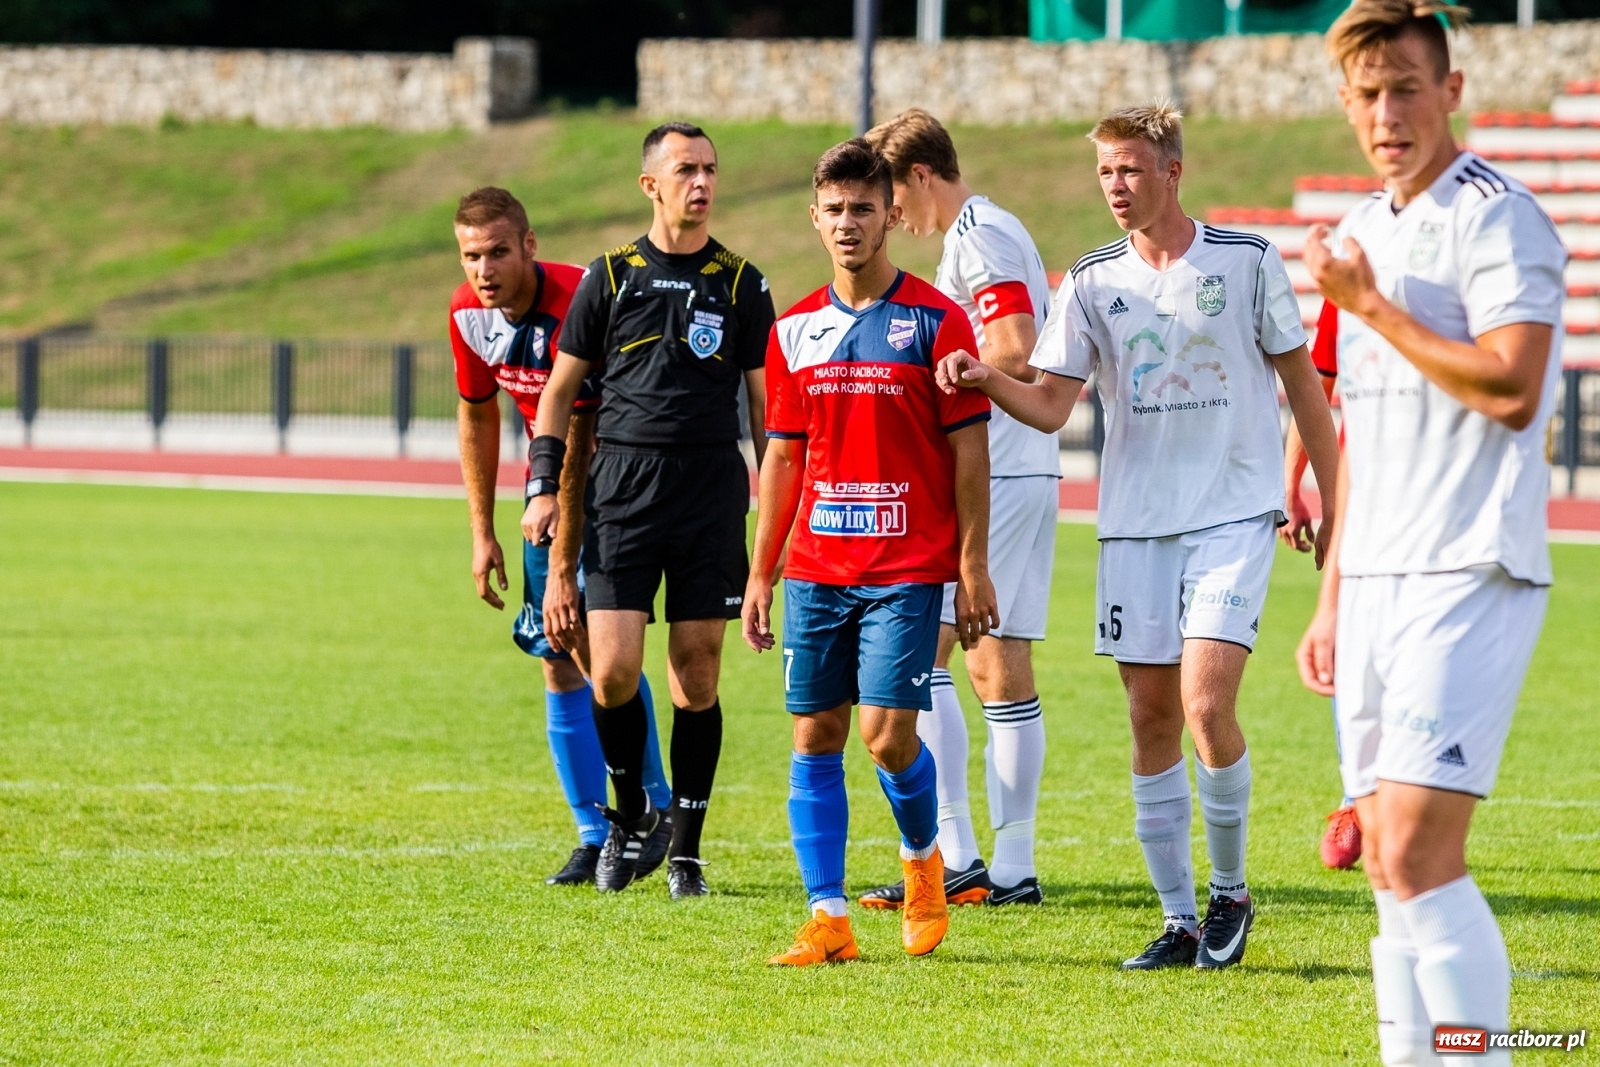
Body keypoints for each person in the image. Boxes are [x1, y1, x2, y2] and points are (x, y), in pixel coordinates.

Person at [936, 102, 1341, 971]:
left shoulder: (1247, 260)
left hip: (1234, 513)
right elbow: (1048, 405)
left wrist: (1325, 492)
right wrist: (979, 375)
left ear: (1172, 171)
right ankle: (1178, 918)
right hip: (1135, 526)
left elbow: (1306, 386)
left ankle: (1231, 891)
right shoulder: (1089, 281)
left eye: (1130, 169)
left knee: (1204, 703)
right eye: (1105, 172)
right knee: (1150, 718)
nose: (1115, 186)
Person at [1298, 3, 1565, 1062]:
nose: (1385, 111)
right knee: (1381, 865)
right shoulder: (1365, 227)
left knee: (1415, 849)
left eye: (1405, 86)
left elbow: (1511, 386)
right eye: (1365, 93)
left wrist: (1368, 307)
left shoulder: (1497, 217)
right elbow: (1359, 425)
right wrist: (1330, 592)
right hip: (1374, 580)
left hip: (1469, 565)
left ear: (1451, 92)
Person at [743, 138, 998, 966]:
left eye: (864, 208)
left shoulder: (937, 320)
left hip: (906, 566)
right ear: (813, 218)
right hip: (817, 567)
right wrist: (761, 569)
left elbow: (968, 451)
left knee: (887, 736)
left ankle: (924, 861)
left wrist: (971, 564)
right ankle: (828, 918)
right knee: (814, 734)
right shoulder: (794, 332)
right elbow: (782, 454)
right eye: (835, 210)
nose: (849, 223)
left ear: (891, 214)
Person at [526, 123, 775, 899]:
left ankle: (688, 851)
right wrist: (541, 484)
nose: (701, 182)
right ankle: (632, 811)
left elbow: (769, 414)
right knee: (611, 673)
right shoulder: (611, 275)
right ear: (651, 186)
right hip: (622, 492)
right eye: (685, 170)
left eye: (709, 169)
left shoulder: (741, 283)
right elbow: (559, 395)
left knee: (695, 677)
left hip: (708, 494)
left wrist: (776, 509)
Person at [858, 109, 1058, 908]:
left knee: (924, 656)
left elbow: (1011, 344)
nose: (890, 216)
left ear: (918, 176)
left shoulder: (981, 234)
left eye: (889, 194)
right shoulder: (969, 236)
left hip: (1001, 472)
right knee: (985, 661)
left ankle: (978, 857)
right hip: (1001, 472)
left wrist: (930, 374)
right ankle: (988, 862)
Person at [449, 187, 672, 888]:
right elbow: (478, 416)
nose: (484, 269)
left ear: (530, 245)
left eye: (498, 252)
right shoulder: (467, 315)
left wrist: (559, 528)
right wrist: (481, 531)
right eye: (471, 255)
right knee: (557, 655)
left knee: (601, 652)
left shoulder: (582, 300)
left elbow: (581, 424)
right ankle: (594, 829)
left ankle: (653, 813)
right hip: (547, 487)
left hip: (624, 478)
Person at [1282, 298, 1363, 871]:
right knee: (1351, 642)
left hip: (1454, 500)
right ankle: (1355, 797)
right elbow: (1318, 386)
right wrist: (1292, 483)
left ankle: (1418, 792)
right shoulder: (1357, 269)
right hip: (1367, 489)